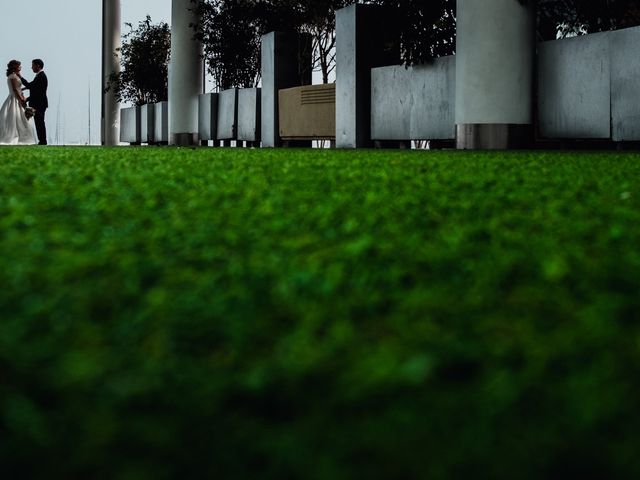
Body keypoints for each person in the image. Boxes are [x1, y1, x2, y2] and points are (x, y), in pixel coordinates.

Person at [0, 60, 37, 145]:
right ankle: (16, 138)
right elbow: (15, 90)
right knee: (16, 118)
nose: (20, 67)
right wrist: (21, 99)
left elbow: (19, 89)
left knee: (21, 119)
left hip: (18, 97)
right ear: (15, 67)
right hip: (15, 98)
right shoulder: (13, 76)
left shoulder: (15, 76)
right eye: (19, 66)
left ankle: (22, 138)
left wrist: (22, 95)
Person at [20, 58, 48, 145]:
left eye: (33, 66)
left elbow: (35, 90)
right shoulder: (39, 76)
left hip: (39, 103)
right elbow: (31, 86)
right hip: (38, 103)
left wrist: (20, 77)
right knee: (38, 122)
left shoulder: (41, 76)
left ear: (37, 66)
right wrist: (25, 88)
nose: (31, 68)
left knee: (40, 122)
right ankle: (42, 140)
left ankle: (43, 141)